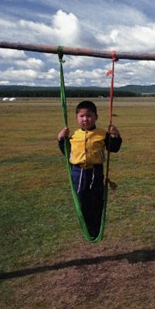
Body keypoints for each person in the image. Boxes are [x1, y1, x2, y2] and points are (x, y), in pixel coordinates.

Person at [58, 100, 122, 235]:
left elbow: (114, 148)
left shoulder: (102, 134)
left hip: (95, 171)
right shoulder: (74, 136)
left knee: (96, 198)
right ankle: (87, 227)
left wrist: (116, 135)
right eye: (81, 116)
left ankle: (96, 227)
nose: (85, 119)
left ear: (96, 117)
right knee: (82, 198)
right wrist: (60, 139)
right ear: (77, 118)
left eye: (89, 116)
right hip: (78, 172)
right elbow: (67, 153)